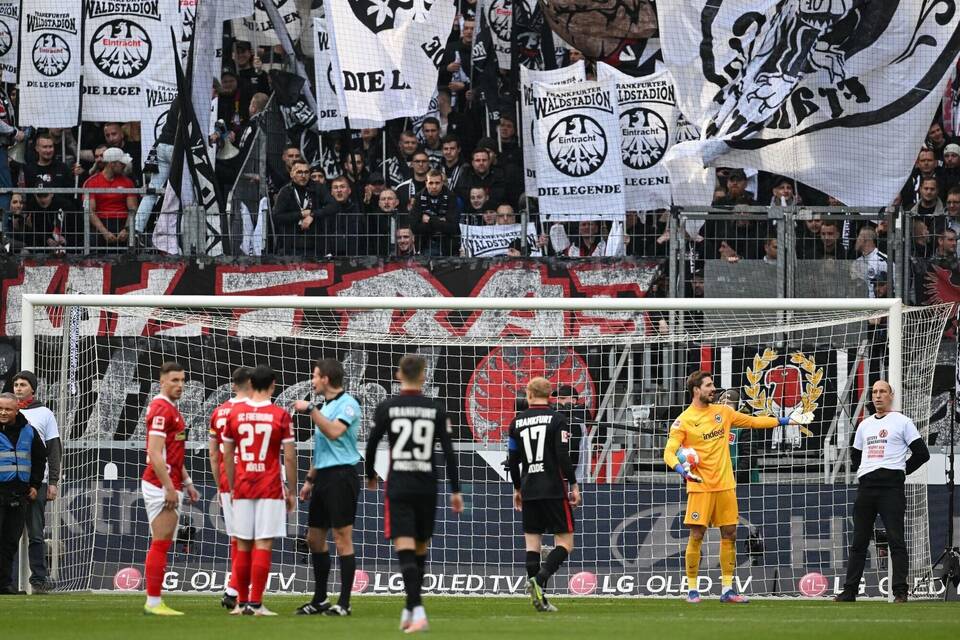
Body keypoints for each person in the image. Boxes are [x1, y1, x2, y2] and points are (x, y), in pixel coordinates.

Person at [663, 370, 805, 604]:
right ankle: (692, 589)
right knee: (697, 534)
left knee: (730, 534)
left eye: (713, 385)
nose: (713, 389)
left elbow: (753, 421)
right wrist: (681, 469)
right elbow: (669, 452)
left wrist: (785, 420)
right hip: (700, 486)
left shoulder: (723, 412)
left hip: (726, 485)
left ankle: (727, 590)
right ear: (696, 390)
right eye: (709, 385)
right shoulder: (684, 420)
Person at [366, 355, 464, 633]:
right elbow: (448, 452)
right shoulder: (435, 408)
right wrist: (456, 489)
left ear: (398, 374)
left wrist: (370, 474)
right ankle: (412, 609)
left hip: (399, 484)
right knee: (420, 547)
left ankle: (415, 608)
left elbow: (372, 444)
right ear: (423, 376)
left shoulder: (387, 407)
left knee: (405, 547)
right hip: (427, 485)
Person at [835, 381, 930, 603]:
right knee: (859, 542)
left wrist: (900, 469)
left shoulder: (903, 422)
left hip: (891, 489)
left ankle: (899, 592)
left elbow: (922, 453)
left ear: (891, 395)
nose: (878, 396)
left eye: (882, 392)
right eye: (875, 392)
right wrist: (866, 469)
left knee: (896, 540)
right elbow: (855, 454)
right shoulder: (864, 425)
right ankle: (849, 591)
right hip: (867, 489)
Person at [222, 365, 297, 616]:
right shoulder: (280, 415)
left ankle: (241, 603)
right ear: (274, 384)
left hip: (243, 486)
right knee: (263, 544)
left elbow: (227, 454)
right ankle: (256, 603)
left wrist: (232, 487)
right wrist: (292, 490)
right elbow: (289, 457)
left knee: (243, 544)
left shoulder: (235, 413)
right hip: (270, 487)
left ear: (251, 384)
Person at [293, 359, 363, 616]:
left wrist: (311, 409)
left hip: (342, 477)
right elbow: (323, 448)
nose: (312, 381)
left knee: (342, 538)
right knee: (313, 539)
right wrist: (310, 480)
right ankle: (320, 599)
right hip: (323, 477)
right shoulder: (327, 406)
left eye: (315, 376)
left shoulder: (349, 404)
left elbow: (334, 432)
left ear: (326, 378)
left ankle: (344, 603)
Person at [507, 377, 581, 613]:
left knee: (532, 544)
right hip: (552, 487)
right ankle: (539, 580)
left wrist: (517, 488)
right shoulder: (558, 419)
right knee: (566, 543)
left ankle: (540, 600)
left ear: (529, 394)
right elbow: (562, 454)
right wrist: (574, 483)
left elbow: (512, 460)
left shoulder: (516, 422)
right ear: (550, 395)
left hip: (529, 488)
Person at [141, 362, 200, 615]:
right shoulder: (162, 410)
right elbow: (154, 452)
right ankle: (153, 602)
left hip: (170, 481)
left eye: (182, 380)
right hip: (159, 483)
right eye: (174, 380)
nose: (180, 385)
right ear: (162, 381)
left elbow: (173, 454)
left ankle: (154, 601)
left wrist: (186, 482)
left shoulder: (172, 410)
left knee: (162, 542)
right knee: (161, 543)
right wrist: (168, 487)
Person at [11, 372, 60, 593]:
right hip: (9, 482)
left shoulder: (44, 413)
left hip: (37, 481)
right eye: (16, 384)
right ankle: (7, 581)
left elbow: (53, 449)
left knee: (36, 533)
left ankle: (39, 579)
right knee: (7, 532)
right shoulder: (6, 411)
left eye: (23, 384)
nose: (19, 388)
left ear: (33, 389)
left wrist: (53, 481)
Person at [208, 366, 251, 610]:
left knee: (237, 538)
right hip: (253, 481)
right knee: (254, 540)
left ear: (233, 385)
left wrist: (221, 484)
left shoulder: (219, 412)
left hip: (227, 481)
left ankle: (235, 589)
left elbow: (214, 454)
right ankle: (236, 590)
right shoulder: (256, 410)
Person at [0, 392, 46, 596]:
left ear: (17, 409)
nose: (3, 412)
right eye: (0, 408)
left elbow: (39, 459)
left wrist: (35, 484)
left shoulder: (29, 431)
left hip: (20, 494)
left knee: (10, 541)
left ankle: (4, 585)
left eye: (7, 409)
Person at [84, 148, 137, 249]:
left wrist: (126, 229)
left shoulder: (128, 182)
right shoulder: (91, 182)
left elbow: (133, 208)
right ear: (112, 164)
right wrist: (104, 231)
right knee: (92, 239)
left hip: (123, 222)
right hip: (100, 223)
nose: (124, 165)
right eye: (121, 163)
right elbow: (90, 211)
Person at [411, 170, 459, 256]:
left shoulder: (451, 196)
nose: (434, 186)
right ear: (426, 182)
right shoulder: (418, 197)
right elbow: (415, 227)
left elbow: (452, 227)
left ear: (442, 183)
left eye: (437, 183)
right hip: (425, 244)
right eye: (431, 183)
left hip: (447, 245)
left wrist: (430, 220)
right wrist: (441, 222)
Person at [850, 227, 888, 298]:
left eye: (858, 237)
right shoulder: (856, 263)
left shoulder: (883, 261)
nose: (856, 240)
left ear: (865, 239)